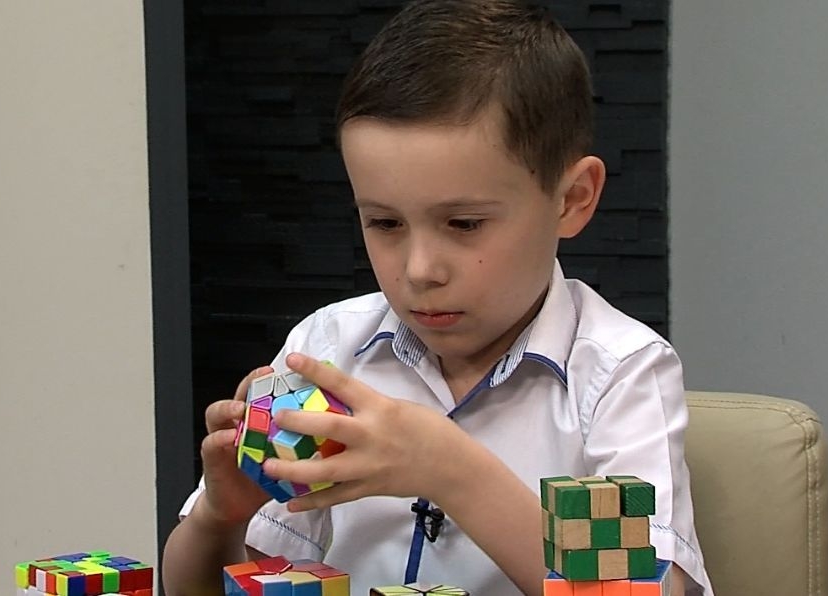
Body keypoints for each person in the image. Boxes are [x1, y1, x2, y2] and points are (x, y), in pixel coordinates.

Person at [162, 1, 713, 594]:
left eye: (465, 224)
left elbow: (643, 589)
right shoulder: (327, 348)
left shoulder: (620, 374)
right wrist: (221, 516)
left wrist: (452, 470)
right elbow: (208, 585)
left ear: (572, 199)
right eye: (384, 223)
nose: (420, 270)